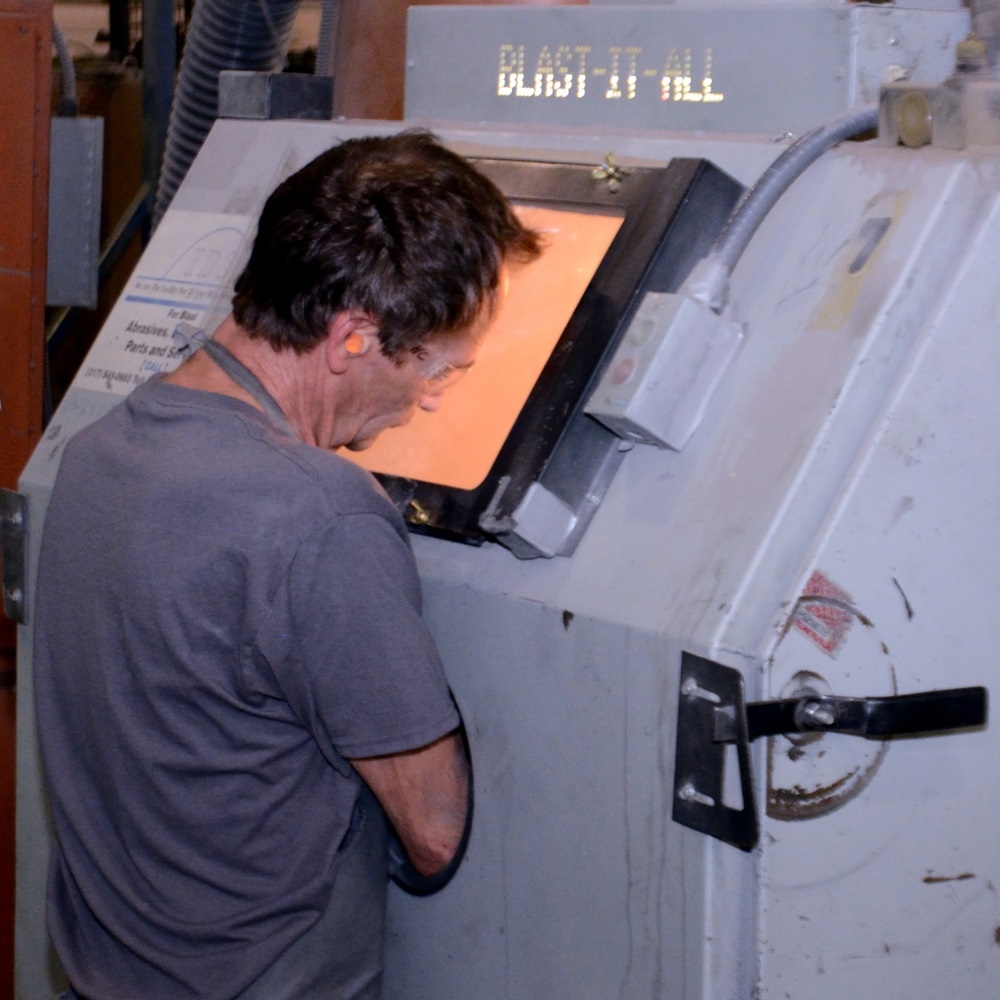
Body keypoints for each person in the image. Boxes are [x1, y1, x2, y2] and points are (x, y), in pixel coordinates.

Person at [33, 130, 541, 1000]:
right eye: (437, 367)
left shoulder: (97, 451)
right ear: (352, 336)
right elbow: (434, 831)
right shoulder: (320, 517)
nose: (426, 397)